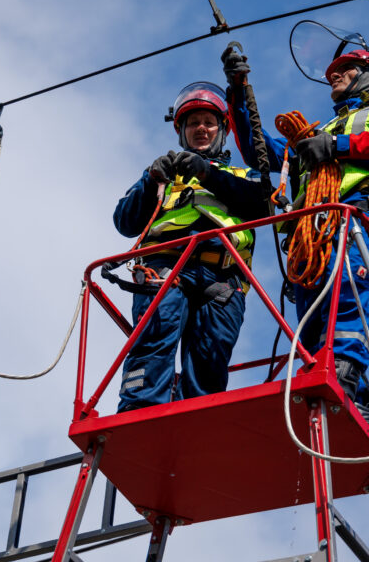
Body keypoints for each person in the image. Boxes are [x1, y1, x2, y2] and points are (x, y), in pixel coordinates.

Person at [224, 45, 369, 428]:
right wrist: (237, 93)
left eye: (345, 69)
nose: (333, 75)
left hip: (356, 218)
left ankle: (345, 381)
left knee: (346, 296)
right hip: (311, 235)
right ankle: (338, 389)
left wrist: (338, 147)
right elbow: (261, 152)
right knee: (314, 318)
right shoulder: (314, 134)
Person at [113, 82, 270, 412]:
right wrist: (149, 181)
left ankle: (197, 422)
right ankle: (140, 415)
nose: (201, 129)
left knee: (210, 360)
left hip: (223, 279)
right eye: (193, 122)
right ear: (181, 131)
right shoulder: (161, 176)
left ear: (222, 130)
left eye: (209, 122)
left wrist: (208, 175)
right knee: (153, 341)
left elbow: (263, 207)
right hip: (163, 270)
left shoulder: (245, 176)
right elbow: (125, 222)